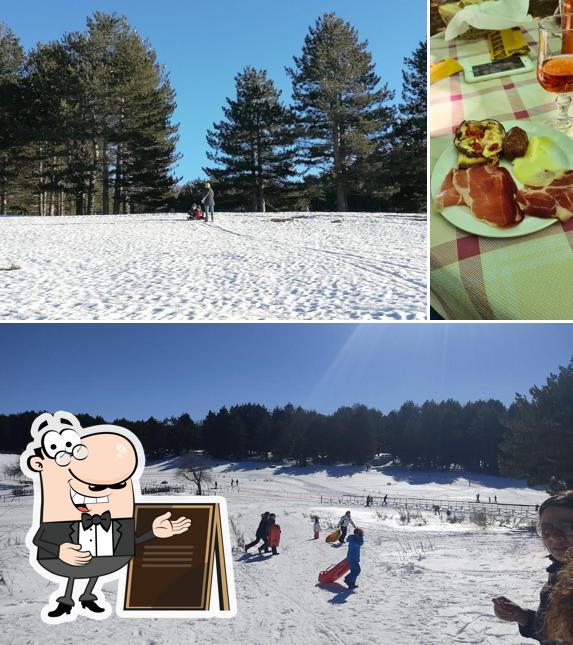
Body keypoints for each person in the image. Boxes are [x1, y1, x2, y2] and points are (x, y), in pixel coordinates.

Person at [493, 491, 573, 643]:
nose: (554, 536)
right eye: (546, 529)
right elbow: (554, 633)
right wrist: (523, 617)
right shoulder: (559, 573)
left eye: (569, 527)